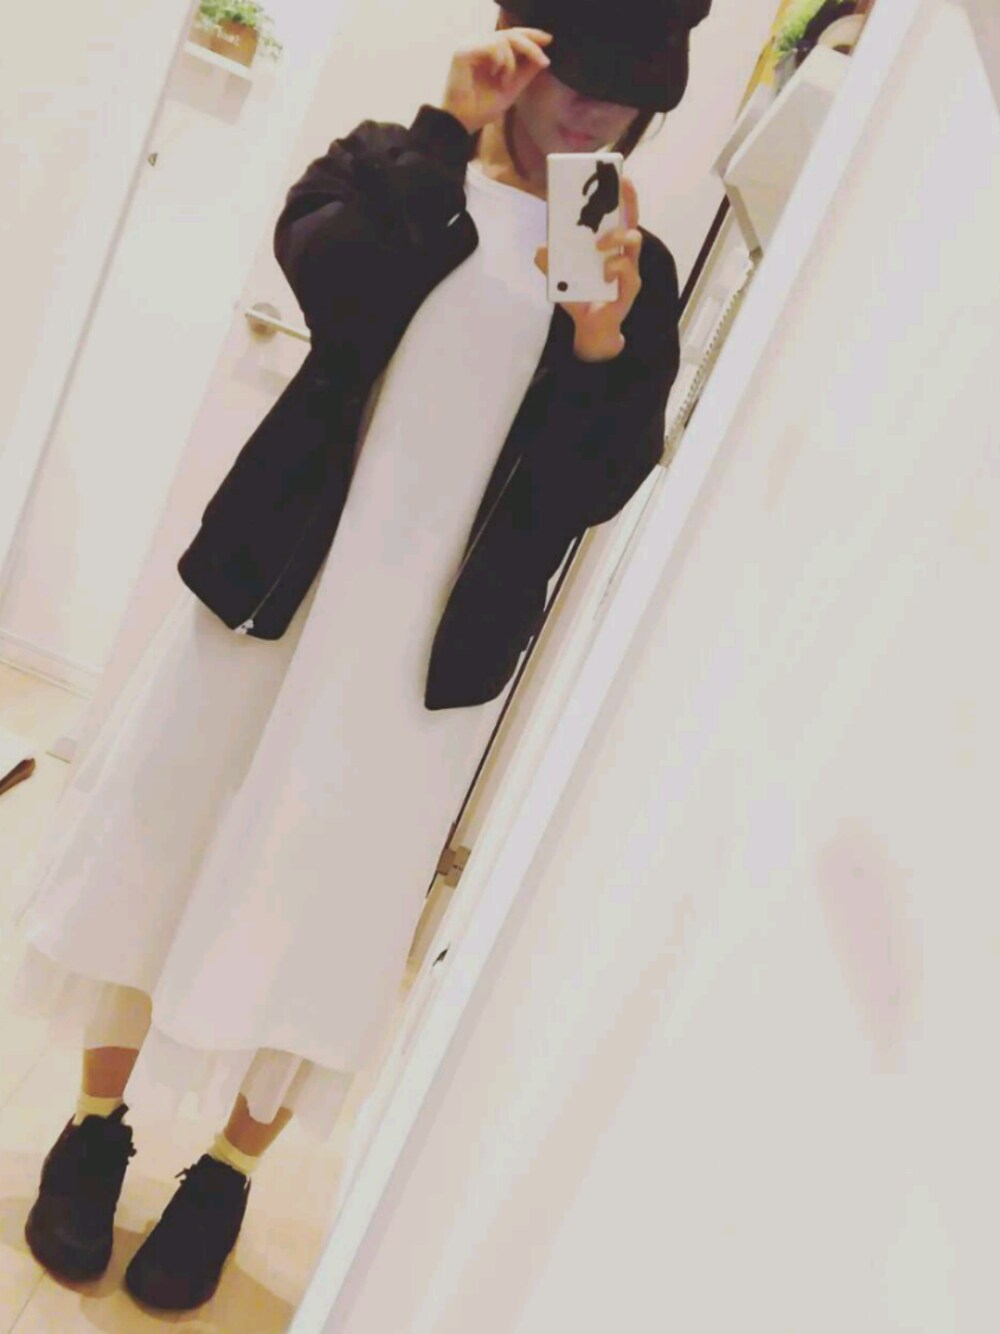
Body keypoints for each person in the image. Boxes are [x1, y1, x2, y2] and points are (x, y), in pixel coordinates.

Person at [6, 0, 709, 1313]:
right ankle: (94, 1130)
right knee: (164, 845)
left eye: (629, 96)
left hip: (421, 666)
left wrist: (604, 340)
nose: (597, 113)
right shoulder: (406, 164)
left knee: (324, 910)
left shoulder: (618, 256)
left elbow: (591, 487)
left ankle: (225, 1174)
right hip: (272, 596)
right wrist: (445, 128)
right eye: (577, 76)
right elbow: (329, 277)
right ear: (520, 50)